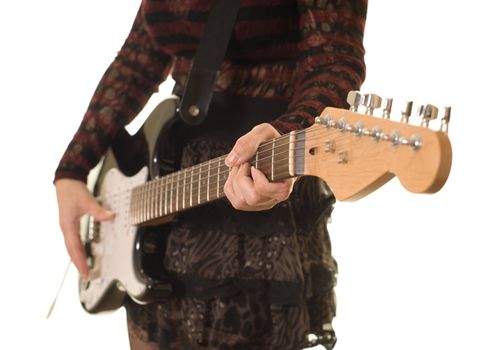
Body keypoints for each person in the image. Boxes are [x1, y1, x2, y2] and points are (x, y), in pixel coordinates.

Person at [54, 0, 367, 349]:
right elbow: (138, 58)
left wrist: (289, 131)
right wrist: (72, 168)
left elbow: (334, 60)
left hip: (265, 179)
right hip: (167, 197)